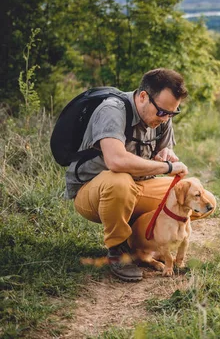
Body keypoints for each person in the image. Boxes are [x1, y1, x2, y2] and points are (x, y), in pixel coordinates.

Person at [65, 68, 196, 282]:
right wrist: (167, 169)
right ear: (143, 96)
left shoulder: (163, 116)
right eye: (162, 112)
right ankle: (119, 252)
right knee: (119, 181)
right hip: (94, 193)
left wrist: (166, 155)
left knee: (196, 196)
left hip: (137, 188)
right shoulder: (112, 110)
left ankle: (143, 241)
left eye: (172, 113)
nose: (165, 118)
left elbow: (164, 156)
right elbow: (116, 161)